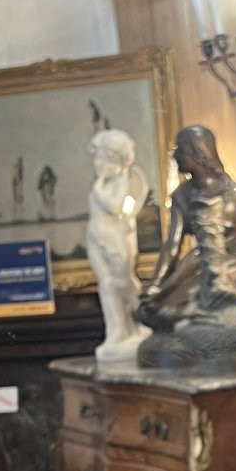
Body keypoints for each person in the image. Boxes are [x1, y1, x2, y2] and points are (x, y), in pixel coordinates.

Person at [136, 125, 236, 366]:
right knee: (148, 310)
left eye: (179, 150)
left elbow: (205, 253)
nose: (175, 156)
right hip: (201, 269)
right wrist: (156, 284)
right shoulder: (182, 195)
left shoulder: (228, 194)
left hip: (230, 271)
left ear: (196, 153)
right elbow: (172, 246)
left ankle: (206, 328)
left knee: (166, 311)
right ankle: (196, 322)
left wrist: (164, 288)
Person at [87, 129, 150, 362]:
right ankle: (116, 331)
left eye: (104, 159)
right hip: (95, 237)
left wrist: (98, 189)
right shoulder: (103, 183)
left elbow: (115, 208)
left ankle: (143, 320)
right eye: (97, 159)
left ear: (116, 160)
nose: (99, 164)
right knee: (106, 284)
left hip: (115, 239)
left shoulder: (121, 181)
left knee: (123, 282)